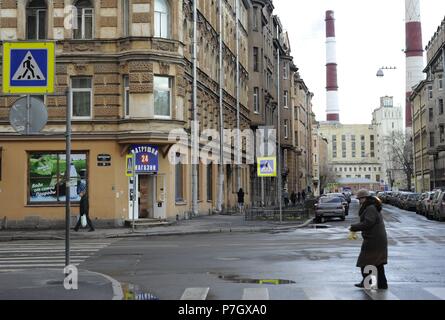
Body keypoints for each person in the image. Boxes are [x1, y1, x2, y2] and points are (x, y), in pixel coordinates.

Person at [349, 189, 388, 290]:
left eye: (360, 199)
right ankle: (381, 284)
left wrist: (354, 227)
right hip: (376, 239)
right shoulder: (372, 206)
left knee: (365, 261)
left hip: (373, 240)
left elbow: (368, 223)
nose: (359, 201)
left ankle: (369, 282)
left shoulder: (370, 208)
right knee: (377, 263)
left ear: (365, 198)